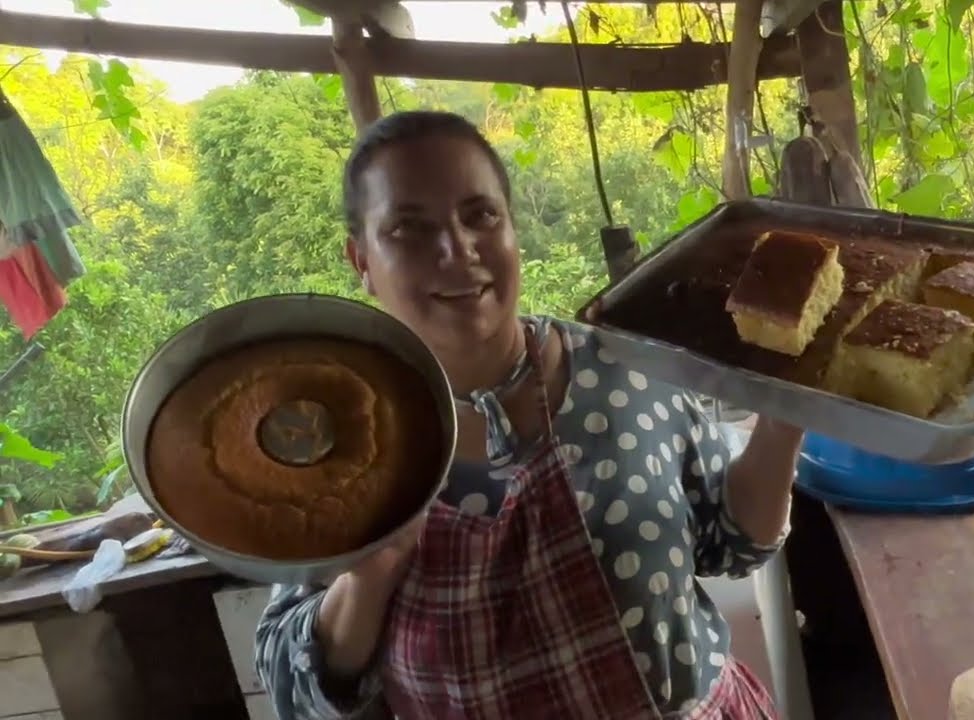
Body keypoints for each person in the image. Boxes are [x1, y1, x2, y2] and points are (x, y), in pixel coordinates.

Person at [254, 109, 804, 720]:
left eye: (480, 215)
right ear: (361, 262)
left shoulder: (626, 364)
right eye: (409, 228)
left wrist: (787, 417)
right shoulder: (337, 444)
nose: (456, 249)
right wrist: (369, 578)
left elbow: (731, 543)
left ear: (512, 229)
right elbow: (293, 687)